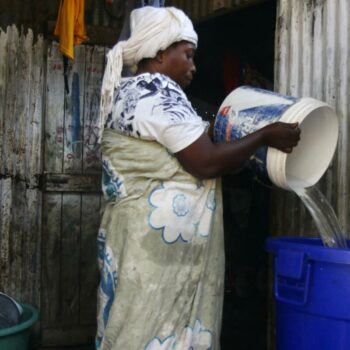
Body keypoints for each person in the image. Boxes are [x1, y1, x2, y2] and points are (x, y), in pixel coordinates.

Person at [96, 6, 300, 350]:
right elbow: (204, 163)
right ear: (160, 54)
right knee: (156, 326)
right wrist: (264, 136)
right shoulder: (158, 92)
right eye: (188, 55)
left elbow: (195, 152)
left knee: (131, 321)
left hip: (130, 239)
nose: (193, 67)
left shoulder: (127, 91)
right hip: (157, 250)